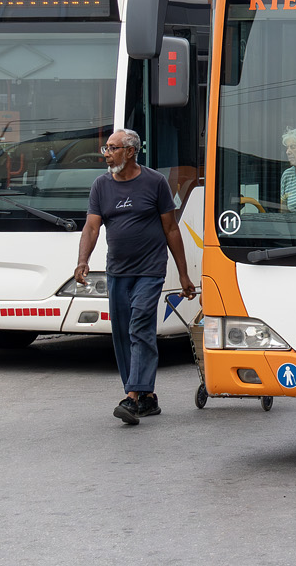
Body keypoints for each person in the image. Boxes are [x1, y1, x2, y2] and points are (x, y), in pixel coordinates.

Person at [73, 128, 196, 426]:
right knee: (122, 334)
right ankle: (147, 397)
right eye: (106, 148)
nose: (106, 154)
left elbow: (171, 229)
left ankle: (131, 397)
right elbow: (91, 228)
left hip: (150, 270)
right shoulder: (101, 186)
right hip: (118, 271)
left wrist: (183, 274)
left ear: (130, 151)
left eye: (112, 148)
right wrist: (82, 261)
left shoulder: (154, 183)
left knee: (140, 324)